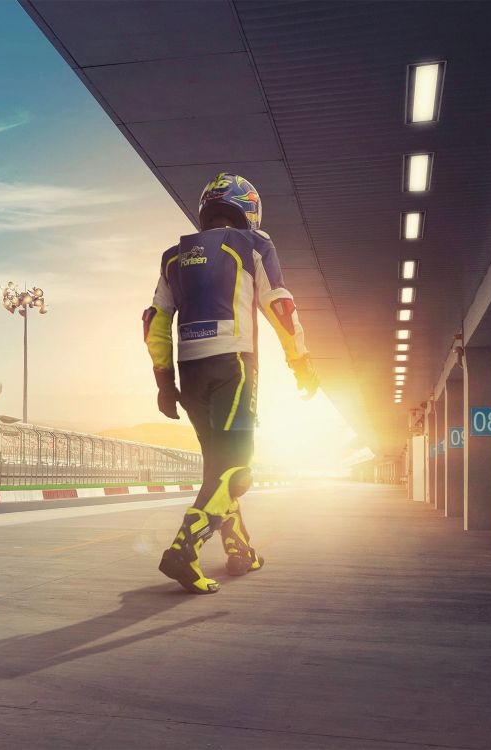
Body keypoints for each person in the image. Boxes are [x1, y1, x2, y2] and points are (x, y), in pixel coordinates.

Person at [141, 173, 319, 594]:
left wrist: (164, 382)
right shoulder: (254, 244)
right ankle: (183, 550)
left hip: (190, 370)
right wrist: (301, 362)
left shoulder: (173, 255)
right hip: (234, 365)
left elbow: (155, 322)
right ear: (249, 208)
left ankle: (241, 549)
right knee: (238, 470)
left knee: (217, 469)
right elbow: (280, 304)